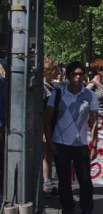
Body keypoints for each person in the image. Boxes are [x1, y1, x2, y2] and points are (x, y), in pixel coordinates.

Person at [43, 61, 98, 214]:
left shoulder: (90, 95)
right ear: (68, 76)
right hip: (60, 144)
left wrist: (94, 144)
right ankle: (68, 210)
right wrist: (50, 142)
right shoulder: (58, 93)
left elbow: (94, 122)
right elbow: (46, 119)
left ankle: (86, 209)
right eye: (74, 74)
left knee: (85, 180)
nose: (78, 76)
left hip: (81, 144)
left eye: (80, 73)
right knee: (64, 181)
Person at [42, 57, 60, 195]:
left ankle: (47, 181)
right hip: (46, 126)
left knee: (48, 155)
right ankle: (46, 182)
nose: (58, 72)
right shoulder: (43, 88)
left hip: (51, 125)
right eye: (55, 69)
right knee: (46, 154)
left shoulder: (52, 86)